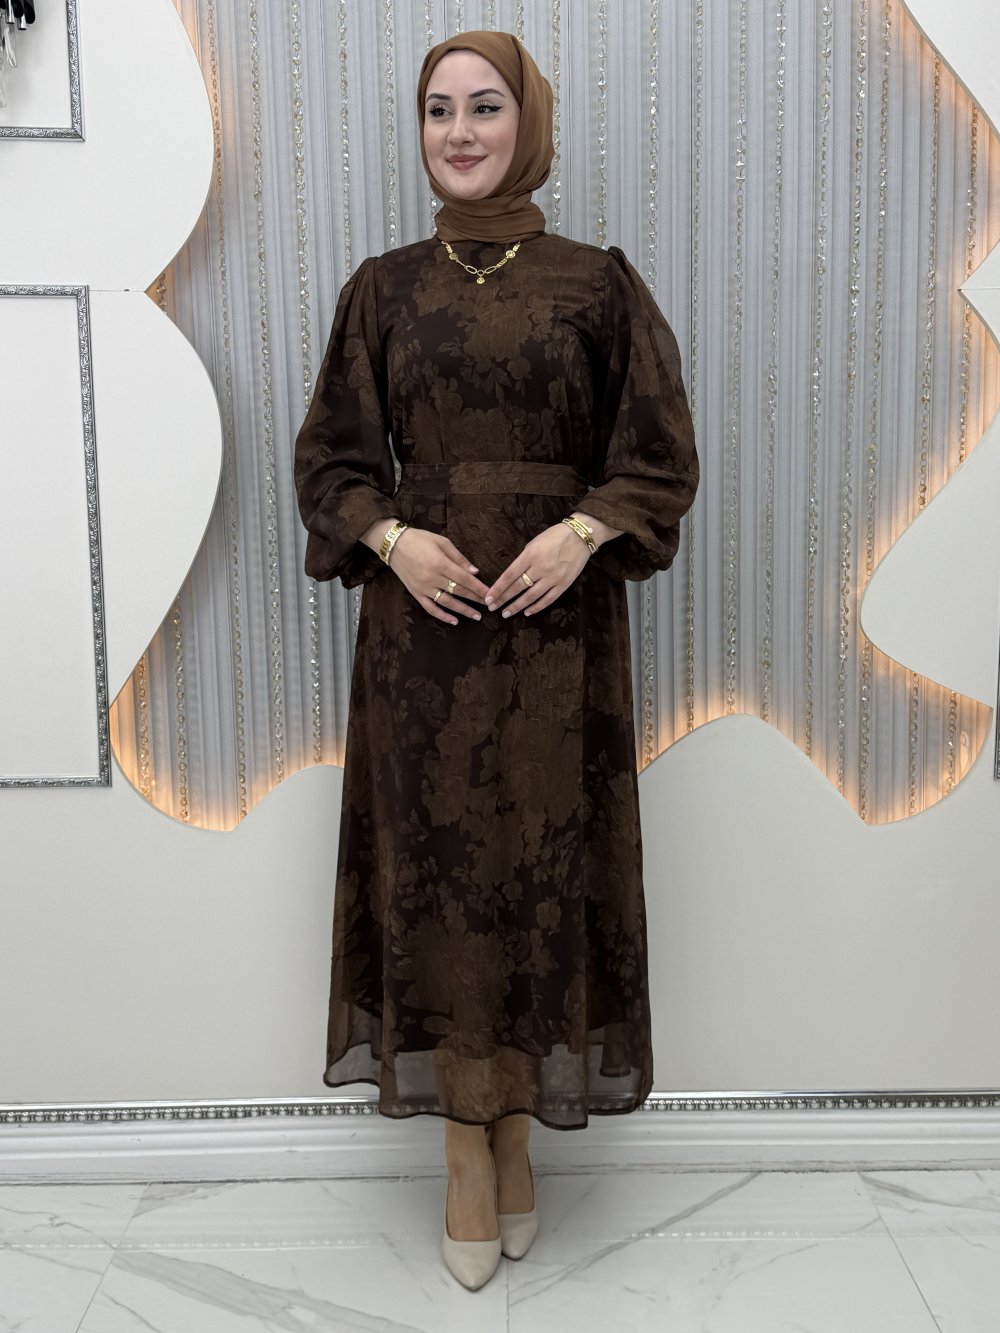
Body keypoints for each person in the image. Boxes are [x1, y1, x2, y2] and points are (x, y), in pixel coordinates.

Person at [293, 30, 698, 1291]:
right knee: (437, 884)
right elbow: (330, 464)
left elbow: (657, 457)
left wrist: (580, 533)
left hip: (558, 643)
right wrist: (393, 538)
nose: (459, 131)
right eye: (437, 110)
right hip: (420, 642)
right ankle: (465, 1154)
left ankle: (517, 1130)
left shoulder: (597, 284)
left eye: (483, 106)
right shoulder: (382, 291)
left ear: (528, 121)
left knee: (542, 878)